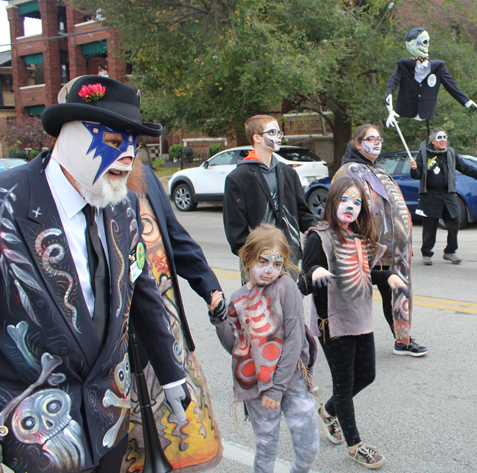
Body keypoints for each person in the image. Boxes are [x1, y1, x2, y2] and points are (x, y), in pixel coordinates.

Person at [0, 75, 191, 473]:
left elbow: (140, 291)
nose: (128, 156)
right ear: (71, 137)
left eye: (134, 144)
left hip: (108, 424)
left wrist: (172, 375)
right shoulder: (6, 202)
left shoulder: (123, 207)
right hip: (32, 435)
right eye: (114, 141)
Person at [121, 159, 224, 472]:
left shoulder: (144, 174)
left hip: (167, 327)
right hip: (121, 343)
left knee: (181, 434)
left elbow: (175, 238)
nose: (124, 147)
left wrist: (209, 287)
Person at [299, 178, 407, 470]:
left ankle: (329, 410)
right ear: (333, 202)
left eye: (357, 202)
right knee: (344, 384)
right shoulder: (317, 238)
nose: (350, 206)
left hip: (360, 317)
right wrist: (315, 272)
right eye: (345, 199)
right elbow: (302, 282)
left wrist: (388, 278)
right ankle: (355, 446)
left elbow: (365, 276)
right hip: (333, 322)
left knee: (367, 375)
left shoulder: (357, 237)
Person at [209, 224, 319, 473]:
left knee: (308, 445)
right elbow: (236, 347)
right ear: (247, 257)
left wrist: (277, 388)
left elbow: (294, 338)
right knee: (266, 447)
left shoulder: (285, 286)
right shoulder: (237, 298)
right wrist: (218, 319)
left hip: (290, 381)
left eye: (277, 264)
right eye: (263, 261)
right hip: (257, 385)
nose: (270, 270)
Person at [332, 124, 428, 356]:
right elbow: (339, 209)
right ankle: (344, 343)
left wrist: (403, 243)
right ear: (358, 143)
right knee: (353, 296)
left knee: (392, 292)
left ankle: (402, 340)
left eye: (379, 139)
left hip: (390, 251)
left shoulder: (378, 169)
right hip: (360, 248)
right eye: (370, 138)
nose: (376, 143)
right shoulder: (348, 171)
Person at [223, 115, 317, 269]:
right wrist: (254, 255)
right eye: (272, 132)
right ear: (257, 138)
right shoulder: (238, 178)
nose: (278, 137)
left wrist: (320, 232)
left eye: (279, 133)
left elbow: (302, 213)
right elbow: (235, 229)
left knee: (291, 294)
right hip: (258, 260)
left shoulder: (288, 173)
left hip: (289, 258)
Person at [409, 128, 477, 265]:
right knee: (430, 226)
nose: (443, 140)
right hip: (430, 195)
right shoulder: (424, 153)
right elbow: (417, 175)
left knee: (454, 222)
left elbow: (466, 168)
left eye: (445, 137)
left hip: (448, 193)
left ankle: (450, 251)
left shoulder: (451, 153)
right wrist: (414, 168)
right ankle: (426, 253)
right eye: (440, 137)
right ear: (432, 141)